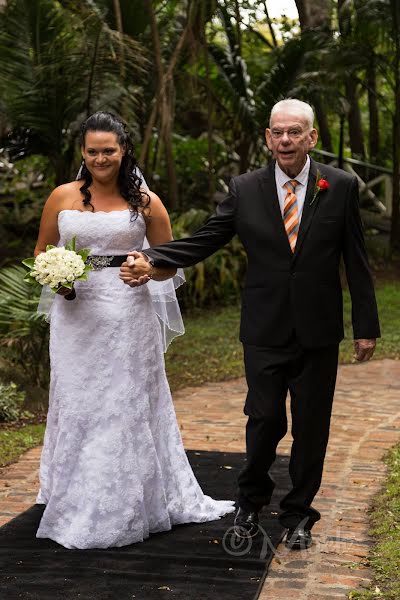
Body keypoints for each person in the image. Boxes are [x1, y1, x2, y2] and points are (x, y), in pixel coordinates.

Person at [119, 99, 380, 550]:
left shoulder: (338, 185)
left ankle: (299, 513)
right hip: (264, 328)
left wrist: (365, 324)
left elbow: (355, 260)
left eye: (295, 132)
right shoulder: (244, 189)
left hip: (318, 330)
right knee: (264, 420)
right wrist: (155, 257)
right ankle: (250, 502)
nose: (285, 140)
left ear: (311, 137)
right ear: (267, 137)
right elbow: (206, 239)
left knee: (312, 425)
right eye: (278, 132)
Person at [33, 111, 234, 550]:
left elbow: (169, 263)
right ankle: (70, 494)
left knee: (120, 402)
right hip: (75, 315)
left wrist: (148, 272)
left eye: (109, 150)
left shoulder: (146, 202)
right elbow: (43, 251)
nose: (101, 158)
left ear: (124, 150)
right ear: (82, 153)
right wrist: (58, 278)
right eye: (93, 151)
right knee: (77, 399)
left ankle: (122, 505)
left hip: (127, 312)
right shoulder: (61, 196)